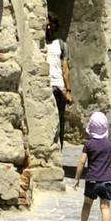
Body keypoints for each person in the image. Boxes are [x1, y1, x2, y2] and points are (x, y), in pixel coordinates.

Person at [71, 107, 111, 221]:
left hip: (92, 180)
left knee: (87, 204)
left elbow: (81, 162)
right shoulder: (109, 144)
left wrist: (77, 178)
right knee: (105, 207)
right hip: (106, 181)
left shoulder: (88, 145)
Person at [44, 13, 71, 145]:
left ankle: (59, 150)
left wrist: (68, 91)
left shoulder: (60, 45)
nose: (48, 28)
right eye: (46, 25)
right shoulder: (40, 44)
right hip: (44, 87)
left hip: (59, 87)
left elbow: (65, 69)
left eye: (51, 25)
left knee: (59, 121)